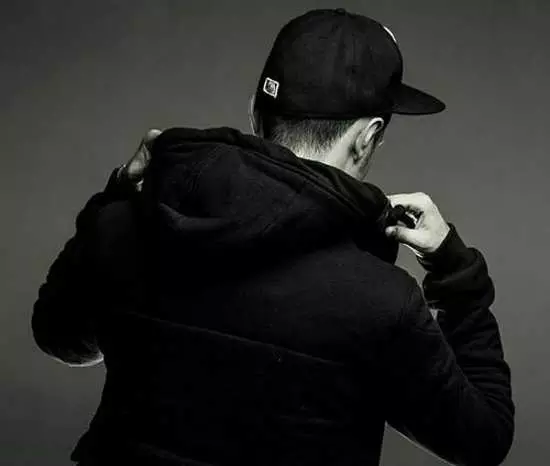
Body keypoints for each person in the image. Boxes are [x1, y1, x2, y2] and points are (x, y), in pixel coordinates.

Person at [31, 8, 514, 466]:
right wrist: (455, 272)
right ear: (367, 136)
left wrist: (119, 193)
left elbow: (60, 338)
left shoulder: (127, 228)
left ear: (256, 111)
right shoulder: (384, 303)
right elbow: (483, 439)